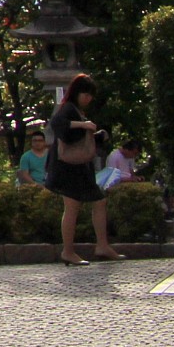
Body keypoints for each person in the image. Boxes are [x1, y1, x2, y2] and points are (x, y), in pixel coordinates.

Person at [48, 74, 119, 265]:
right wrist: (83, 124)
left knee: (98, 202)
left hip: (79, 167)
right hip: (68, 168)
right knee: (73, 207)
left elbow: (76, 139)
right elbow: (58, 125)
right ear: (77, 93)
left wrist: (95, 135)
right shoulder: (68, 109)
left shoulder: (76, 110)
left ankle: (101, 245)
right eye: (85, 94)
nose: (88, 99)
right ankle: (69, 250)